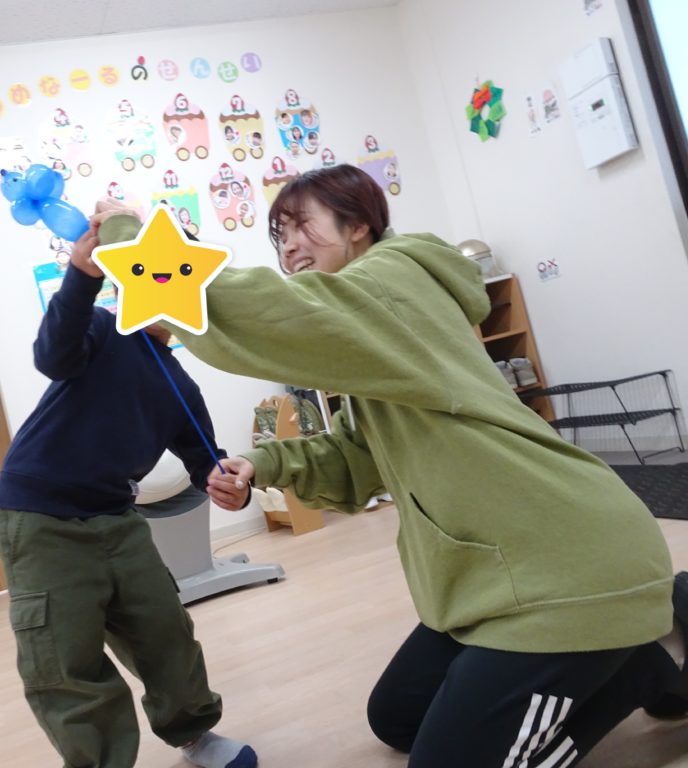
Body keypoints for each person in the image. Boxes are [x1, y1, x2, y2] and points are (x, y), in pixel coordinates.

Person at [94, 164, 688, 767]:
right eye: (280, 235)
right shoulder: (376, 324)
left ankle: (639, 660)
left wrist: (129, 239)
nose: (289, 246)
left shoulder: (393, 279)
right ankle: (645, 650)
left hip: (568, 572)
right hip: (501, 574)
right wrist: (261, 463)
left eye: (301, 225)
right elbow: (359, 455)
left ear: (358, 226)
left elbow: (269, 312)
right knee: (396, 717)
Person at [0, 207, 258, 768]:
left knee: (165, 631)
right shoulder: (102, 330)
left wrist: (233, 484)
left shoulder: (179, 385)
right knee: (65, 657)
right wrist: (81, 276)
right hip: (39, 517)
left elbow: (207, 461)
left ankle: (192, 732)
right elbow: (53, 355)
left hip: (117, 519)